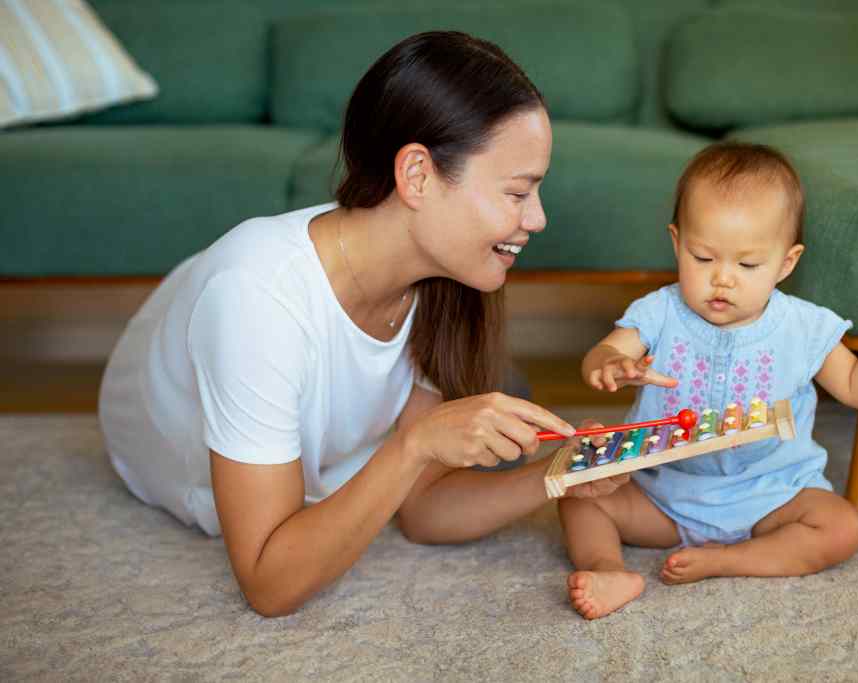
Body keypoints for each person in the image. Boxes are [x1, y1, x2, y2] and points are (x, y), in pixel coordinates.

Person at [99, 31, 627, 618]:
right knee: (456, 416)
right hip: (175, 411)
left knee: (476, 413)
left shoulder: (450, 273)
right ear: (417, 174)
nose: (539, 218)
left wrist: (560, 472)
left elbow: (423, 511)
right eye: (518, 192)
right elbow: (269, 584)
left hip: (313, 393)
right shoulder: (256, 298)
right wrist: (415, 444)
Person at [557, 142, 858, 620]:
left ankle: (729, 559)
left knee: (842, 528)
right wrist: (611, 362)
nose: (723, 279)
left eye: (748, 265)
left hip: (771, 494)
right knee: (578, 497)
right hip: (665, 493)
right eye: (702, 257)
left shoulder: (804, 326)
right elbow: (602, 355)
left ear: (787, 263)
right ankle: (608, 569)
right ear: (676, 242)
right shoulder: (659, 311)